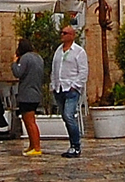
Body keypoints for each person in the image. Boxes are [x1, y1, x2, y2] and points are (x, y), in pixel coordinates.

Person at [52, 24, 89, 157]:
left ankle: (76, 145)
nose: (62, 35)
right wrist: (53, 84)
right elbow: (55, 68)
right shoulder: (58, 51)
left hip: (71, 89)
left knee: (69, 115)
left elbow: (83, 71)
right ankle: (72, 143)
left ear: (72, 36)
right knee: (65, 116)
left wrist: (75, 85)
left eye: (65, 33)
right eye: (61, 33)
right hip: (59, 88)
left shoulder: (79, 52)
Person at [12, 39, 47, 155]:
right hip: (36, 92)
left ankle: (36, 147)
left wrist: (14, 62)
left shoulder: (25, 58)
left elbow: (18, 73)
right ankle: (32, 145)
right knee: (28, 121)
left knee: (30, 122)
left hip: (27, 94)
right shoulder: (38, 58)